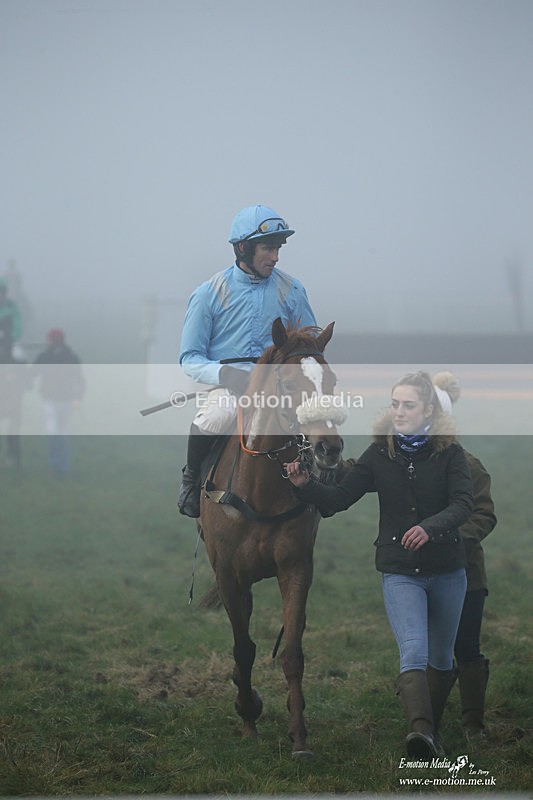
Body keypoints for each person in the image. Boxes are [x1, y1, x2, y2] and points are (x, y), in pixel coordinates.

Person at [284, 370, 474, 758]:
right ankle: (420, 735)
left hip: (448, 570)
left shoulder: (451, 453)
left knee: (441, 657)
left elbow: (463, 505)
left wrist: (429, 527)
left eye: (408, 405)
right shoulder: (378, 454)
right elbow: (338, 498)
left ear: (429, 410)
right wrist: (306, 487)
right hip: (400, 570)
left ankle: (432, 730)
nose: (399, 412)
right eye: (395, 404)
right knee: (414, 651)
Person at [177, 204, 317, 518]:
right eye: (268, 248)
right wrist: (225, 375)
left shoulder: (293, 290)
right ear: (243, 248)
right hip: (231, 387)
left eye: (278, 248)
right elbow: (189, 358)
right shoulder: (208, 294)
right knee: (212, 419)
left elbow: (309, 344)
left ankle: (322, 479)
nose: (276, 256)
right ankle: (191, 480)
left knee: (315, 421)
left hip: (280, 384)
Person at [432, 371, 496, 741]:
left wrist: (448, 539)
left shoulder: (471, 467)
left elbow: (484, 515)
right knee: (425, 650)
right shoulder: (406, 464)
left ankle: (473, 725)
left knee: (466, 647)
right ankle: (426, 724)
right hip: (420, 575)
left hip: (467, 577)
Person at [33, 329, 85, 478]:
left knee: (60, 434)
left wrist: (78, 398)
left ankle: (60, 467)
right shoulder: (45, 357)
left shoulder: (68, 358)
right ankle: (57, 466)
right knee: (53, 432)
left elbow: (80, 380)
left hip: (65, 401)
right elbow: (32, 373)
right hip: (50, 400)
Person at [0, 276, 22, 362]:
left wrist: (9, 339)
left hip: (10, 342)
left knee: (20, 356)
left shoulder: (12, 306)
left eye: (1, 292)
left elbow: (17, 325)